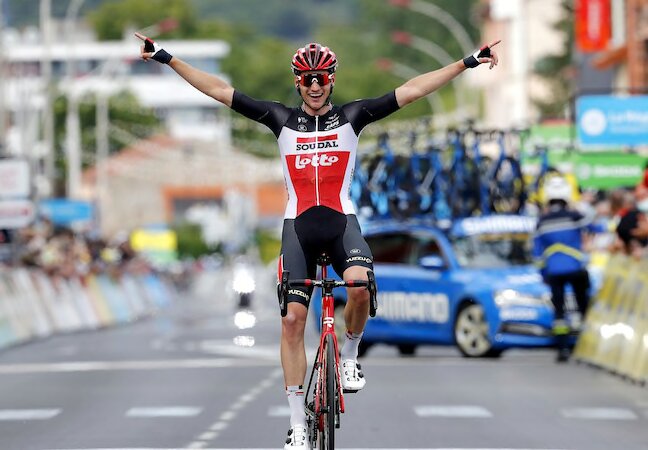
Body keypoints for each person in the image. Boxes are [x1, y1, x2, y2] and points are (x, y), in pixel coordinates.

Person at [136, 33, 500, 449]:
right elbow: (218, 90)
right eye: (307, 78)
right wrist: (167, 57)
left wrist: (467, 62)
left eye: (322, 77)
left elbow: (413, 90)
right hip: (298, 228)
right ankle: (297, 425)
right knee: (292, 320)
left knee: (360, 286)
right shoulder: (279, 119)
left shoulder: (353, 117)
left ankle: (349, 356)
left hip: (341, 222)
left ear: (332, 80)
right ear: (297, 81)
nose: (314, 85)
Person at [533, 176, 593, 363]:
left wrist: (544, 274)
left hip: (554, 272)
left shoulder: (541, 222)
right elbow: (595, 225)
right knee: (583, 307)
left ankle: (562, 349)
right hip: (575, 268)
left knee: (559, 311)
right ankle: (586, 347)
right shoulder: (573, 216)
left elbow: (537, 255)